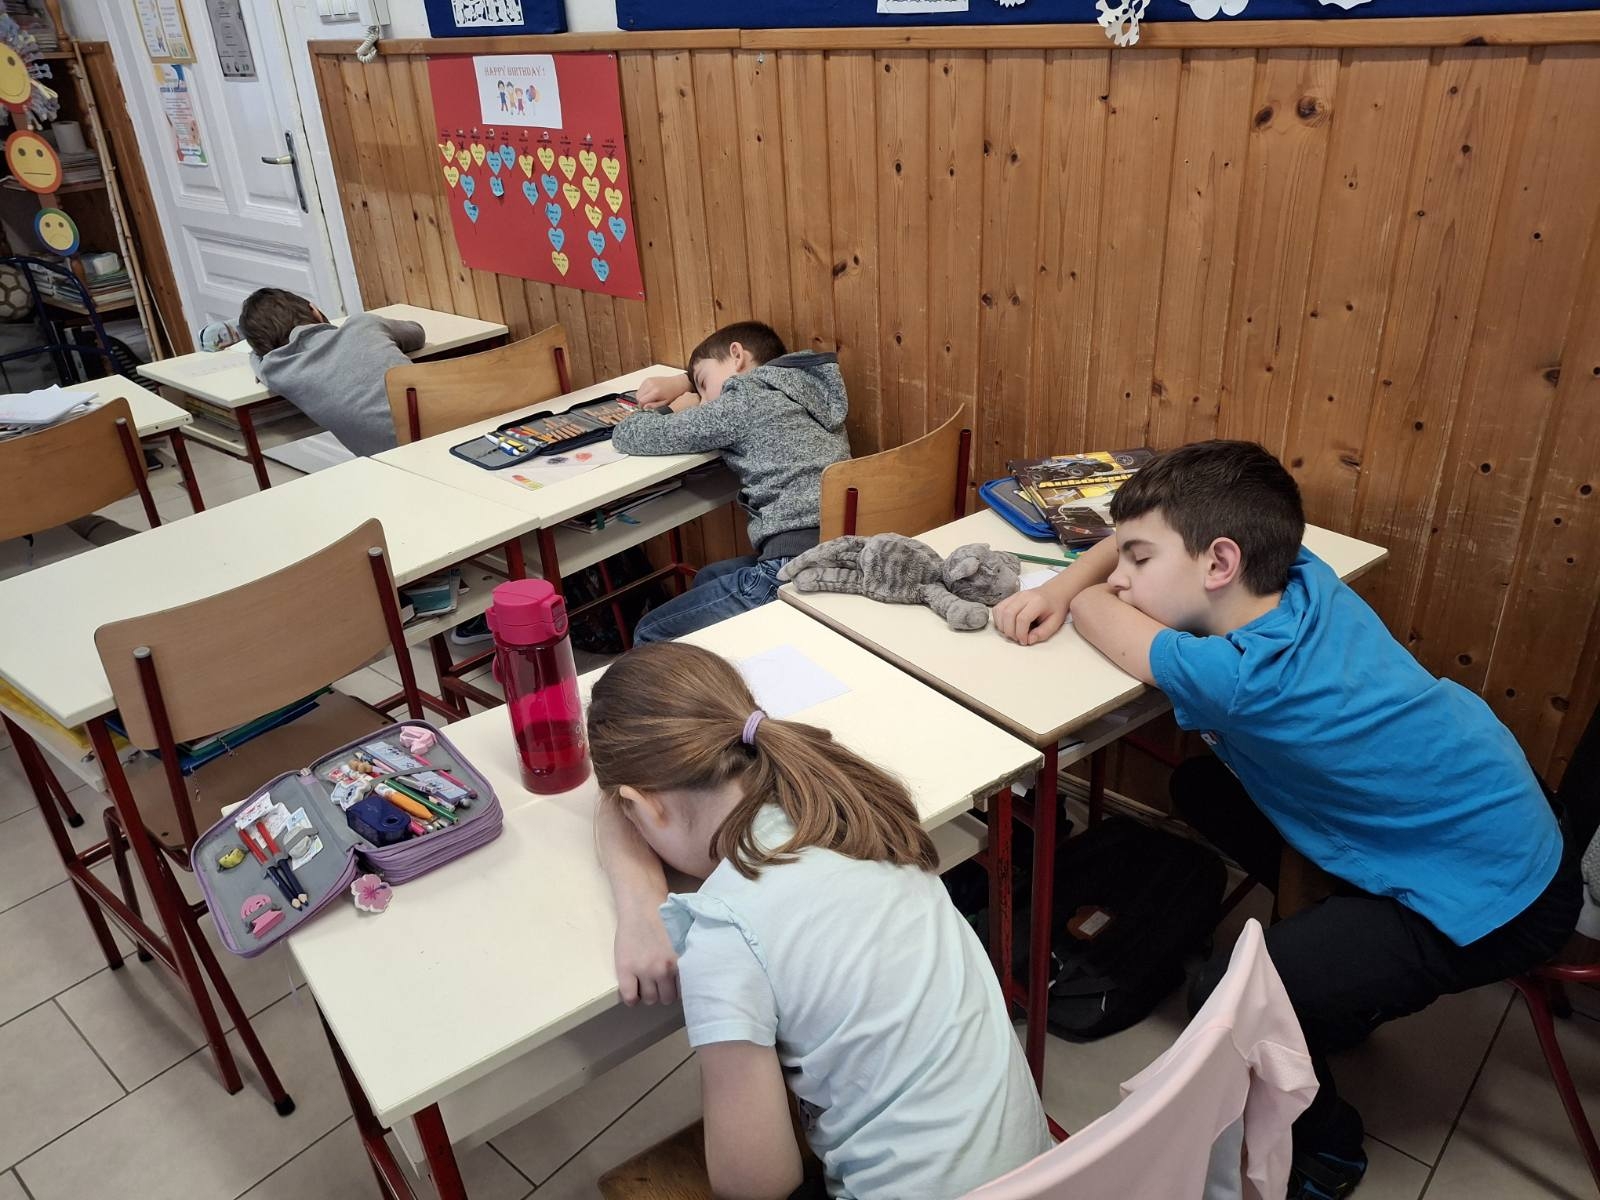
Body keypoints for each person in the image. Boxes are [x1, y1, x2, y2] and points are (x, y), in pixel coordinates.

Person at [991, 439, 1578, 1198]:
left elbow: (1110, 621)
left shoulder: (1239, 677)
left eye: (1138, 559)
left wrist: (1073, 592)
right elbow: (1124, 556)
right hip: (1498, 815)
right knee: (1202, 789)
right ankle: (1346, 982)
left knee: (1227, 1001)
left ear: (1219, 563)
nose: (1122, 574)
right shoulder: (1299, 574)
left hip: (1503, 898)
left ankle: (1329, 1149)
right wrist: (1099, 566)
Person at [588, 642, 1052, 1200]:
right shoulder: (852, 812)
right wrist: (641, 898)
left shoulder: (725, 930)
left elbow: (756, 1184)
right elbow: (616, 807)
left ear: (645, 806)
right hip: (1049, 1176)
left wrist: (642, 904)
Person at [612, 321, 850, 643]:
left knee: (649, 632)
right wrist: (690, 379)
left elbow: (630, 435)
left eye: (703, 384)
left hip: (789, 568)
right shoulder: (806, 388)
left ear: (737, 355)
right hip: (838, 551)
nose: (704, 401)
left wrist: (673, 408)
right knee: (708, 577)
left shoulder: (744, 399)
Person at [236, 288, 424, 458]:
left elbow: (259, 363)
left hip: (398, 462)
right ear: (314, 310)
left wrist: (257, 352)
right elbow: (417, 333)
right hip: (440, 437)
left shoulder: (277, 369)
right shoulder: (363, 324)